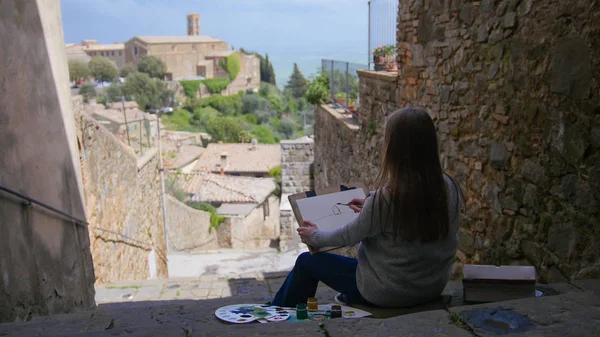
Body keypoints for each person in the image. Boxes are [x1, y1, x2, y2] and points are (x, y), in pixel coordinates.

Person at [270, 107, 463, 308]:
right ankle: (348, 297)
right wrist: (370, 210)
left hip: (387, 292)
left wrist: (313, 236)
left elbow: (347, 236)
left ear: (393, 149)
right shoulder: (449, 187)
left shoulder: (386, 200)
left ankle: (279, 313)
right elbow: (413, 215)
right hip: (430, 287)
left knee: (306, 262)